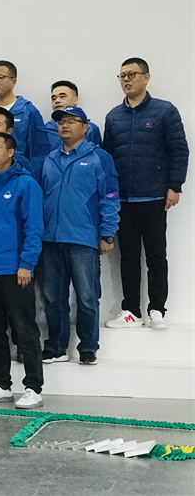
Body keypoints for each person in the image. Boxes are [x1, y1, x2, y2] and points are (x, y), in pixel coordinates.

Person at [103, 58, 189, 329]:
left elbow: (179, 150)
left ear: (146, 77)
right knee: (128, 258)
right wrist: (109, 196)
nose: (126, 80)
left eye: (132, 74)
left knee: (156, 256)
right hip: (124, 200)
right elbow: (107, 158)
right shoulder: (113, 117)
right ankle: (131, 311)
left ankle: (157, 310)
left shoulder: (165, 111)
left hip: (154, 197)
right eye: (122, 76)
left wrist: (175, 185)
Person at [0, 133, 45, 409]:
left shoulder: (26, 184)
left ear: (11, 152)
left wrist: (26, 264)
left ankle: (33, 388)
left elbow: (33, 229)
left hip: (14, 271)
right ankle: (1, 385)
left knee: (25, 331)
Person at [39, 106, 120, 365]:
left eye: (71, 121)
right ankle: (57, 347)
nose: (64, 125)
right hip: (51, 239)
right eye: (61, 121)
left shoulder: (99, 157)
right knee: (53, 298)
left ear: (85, 127)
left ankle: (88, 347)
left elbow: (110, 197)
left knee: (87, 296)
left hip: (83, 238)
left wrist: (107, 233)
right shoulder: (49, 159)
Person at [0, 61, 49, 160]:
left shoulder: (28, 111)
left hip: (19, 166)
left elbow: (38, 152)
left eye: (0, 77)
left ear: (13, 82)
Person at [44, 81, 102, 151]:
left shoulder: (91, 129)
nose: (57, 101)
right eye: (53, 98)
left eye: (62, 97)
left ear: (76, 100)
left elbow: (97, 154)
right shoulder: (45, 130)